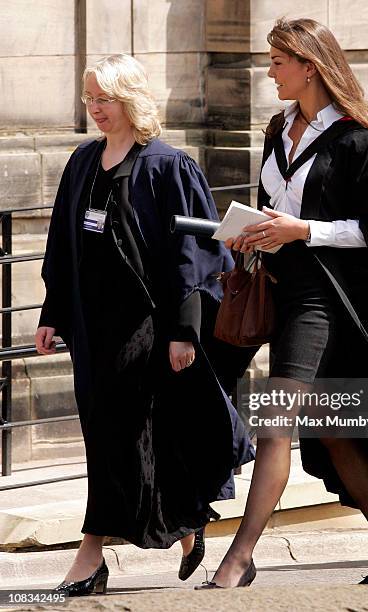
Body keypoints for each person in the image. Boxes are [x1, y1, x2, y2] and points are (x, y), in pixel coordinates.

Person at [196, 18, 368, 589]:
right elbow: (273, 206)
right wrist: (256, 232)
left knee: (276, 426)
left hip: (327, 301)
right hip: (279, 291)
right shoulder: (275, 129)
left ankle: (238, 559)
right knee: (334, 431)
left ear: (309, 67)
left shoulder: (358, 141)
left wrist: (303, 231)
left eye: (278, 62)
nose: (269, 71)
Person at [35, 53, 254, 596]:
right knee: (111, 436)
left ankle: (91, 554)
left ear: (129, 98)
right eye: (88, 99)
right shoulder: (83, 161)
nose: (94, 109)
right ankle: (182, 524)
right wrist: (52, 314)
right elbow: (63, 245)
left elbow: (192, 252)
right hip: (91, 328)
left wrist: (184, 330)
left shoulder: (166, 165)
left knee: (126, 435)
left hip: (148, 327)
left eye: (103, 99)